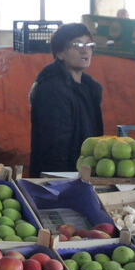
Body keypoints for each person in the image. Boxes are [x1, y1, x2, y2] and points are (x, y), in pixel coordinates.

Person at [29, 23, 104, 176]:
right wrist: (62, 183)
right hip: (58, 179)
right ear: (60, 53)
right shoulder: (52, 89)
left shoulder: (89, 89)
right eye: (77, 45)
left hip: (82, 175)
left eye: (89, 45)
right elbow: (54, 146)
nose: (85, 50)